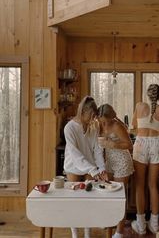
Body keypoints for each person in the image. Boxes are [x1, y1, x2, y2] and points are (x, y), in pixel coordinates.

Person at [64, 96, 108, 238]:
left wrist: (101, 168)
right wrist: (94, 170)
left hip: (90, 166)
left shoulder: (93, 126)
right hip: (73, 167)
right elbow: (76, 156)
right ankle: (75, 234)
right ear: (83, 111)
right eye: (91, 115)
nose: (93, 118)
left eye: (95, 116)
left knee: (89, 200)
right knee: (74, 202)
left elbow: (96, 149)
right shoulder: (69, 128)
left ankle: (87, 233)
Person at [131, 84, 159, 235]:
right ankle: (154, 224)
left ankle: (141, 226)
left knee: (140, 185)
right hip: (156, 144)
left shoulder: (139, 106)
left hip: (141, 144)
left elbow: (133, 126)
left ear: (148, 94)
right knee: (153, 185)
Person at [97, 104, 134, 238]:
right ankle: (109, 221)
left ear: (111, 117)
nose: (103, 124)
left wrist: (114, 144)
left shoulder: (117, 126)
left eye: (105, 121)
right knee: (108, 194)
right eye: (101, 121)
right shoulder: (99, 125)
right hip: (109, 163)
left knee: (119, 198)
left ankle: (119, 232)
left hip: (122, 162)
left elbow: (129, 145)